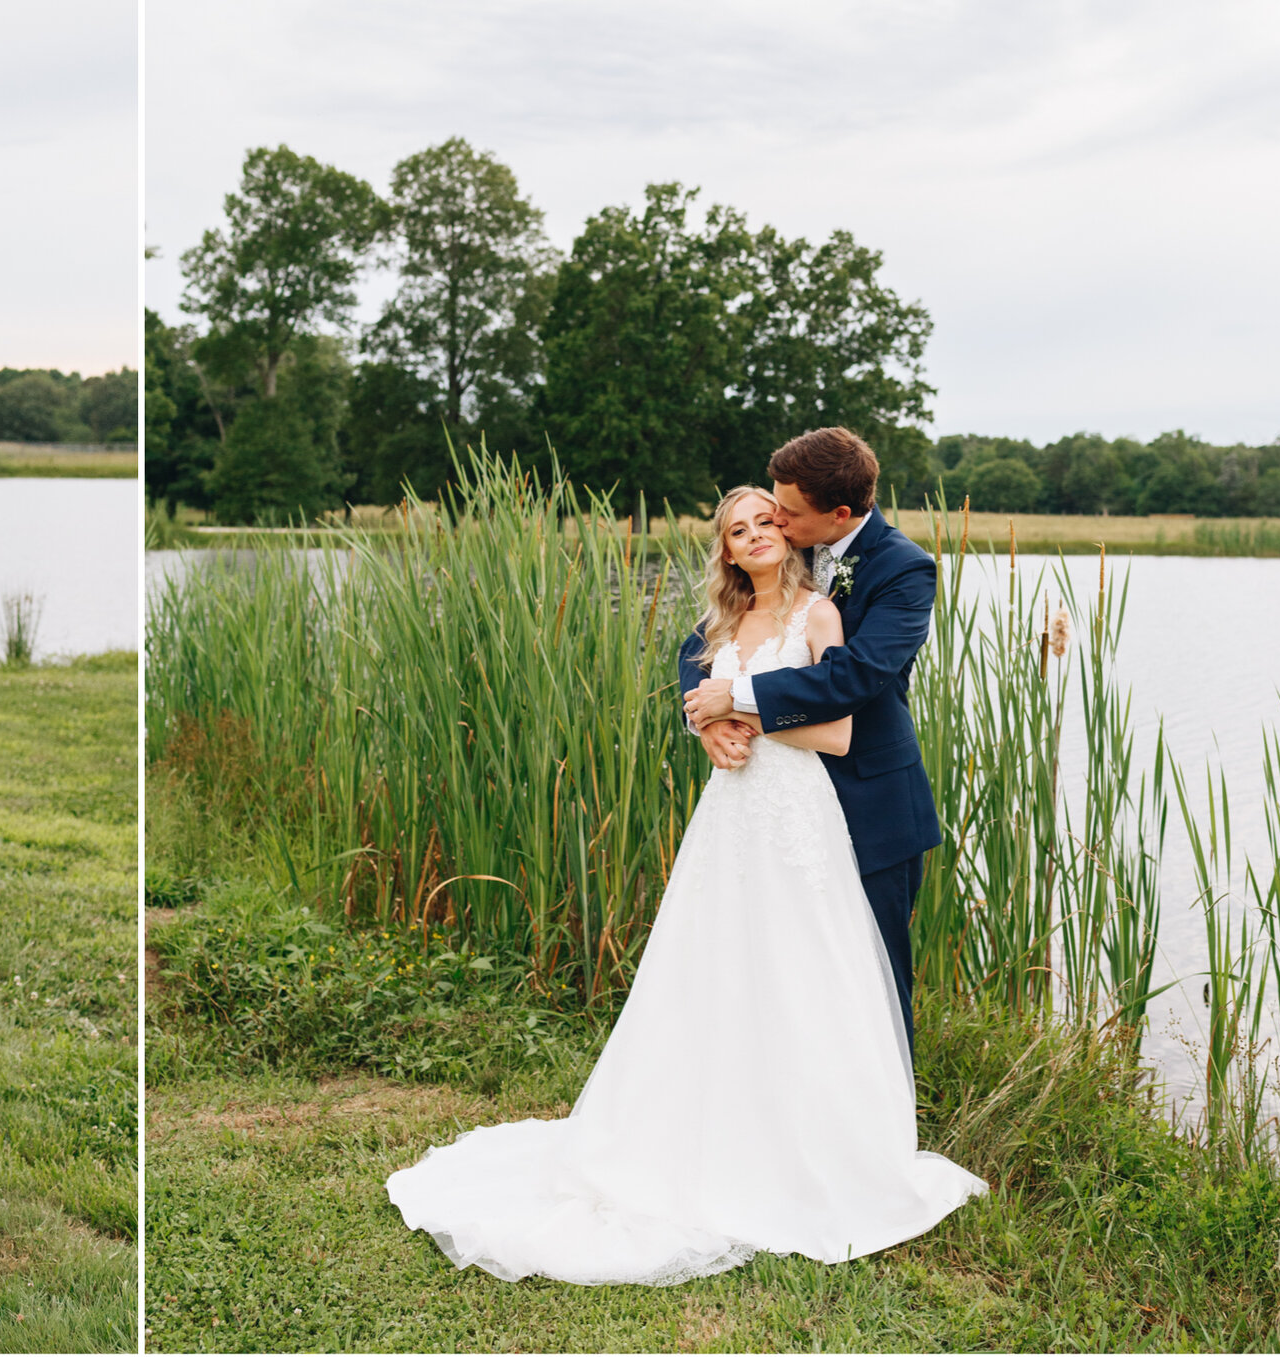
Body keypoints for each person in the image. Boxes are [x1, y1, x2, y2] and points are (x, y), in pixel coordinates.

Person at [383, 476, 983, 1285]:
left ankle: (831, 1143)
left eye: (768, 520)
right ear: (726, 551)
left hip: (800, 816)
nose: (757, 534)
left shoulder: (823, 612)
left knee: (811, 971)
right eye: (739, 529)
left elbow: (840, 731)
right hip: (730, 817)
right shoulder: (719, 623)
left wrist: (740, 708)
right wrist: (705, 723)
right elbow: (695, 685)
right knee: (712, 972)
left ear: (796, 530)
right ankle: (704, 1133)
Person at [680, 425, 944, 1046]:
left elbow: (857, 676)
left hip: (870, 799)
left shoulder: (904, 570)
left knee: (872, 975)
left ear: (840, 514)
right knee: (770, 967)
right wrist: (704, 720)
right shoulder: (778, 546)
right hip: (768, 804)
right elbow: (707, 645)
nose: (772, 519)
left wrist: (737, 703)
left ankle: (885, 1124)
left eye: (786, 513)